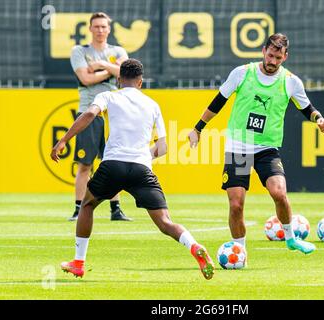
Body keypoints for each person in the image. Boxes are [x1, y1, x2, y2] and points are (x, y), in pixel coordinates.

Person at [51, 59, 215, 280]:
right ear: (140, 82)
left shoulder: (108, 95)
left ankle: (78, 262)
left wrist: (63, 140)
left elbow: (89, 114)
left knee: (87, 205)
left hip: (113, 165)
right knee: (165, 222)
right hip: (141, 168)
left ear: (119, 80)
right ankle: (194, 246)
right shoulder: (152, 105)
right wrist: (141, 155)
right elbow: (163, 148)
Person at [188, 33, 324, 255]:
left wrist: (318, 119)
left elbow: (307, 108)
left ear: (285, 57)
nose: (272, 61)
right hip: (239, 148)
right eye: (270, 55)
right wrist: (198, 128)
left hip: (266, 149)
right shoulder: (243, 73)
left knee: (279, 193)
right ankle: (239, 251)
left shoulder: (291, 81)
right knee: (236, 204)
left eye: (278, 58)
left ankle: (291, 238)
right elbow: (218, 101)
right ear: (263, 51)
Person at [69, 12, 131, 221]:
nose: (100, 30)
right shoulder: (79, 51)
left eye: (104, 27)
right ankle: (79, 208)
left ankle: (116, 209)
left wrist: (102, 65)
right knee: (86, 163)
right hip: (89, 111)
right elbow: (85, 78)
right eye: (96, 26)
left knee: (114, 162)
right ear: (90, 28)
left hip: (113, 113)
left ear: (109, 29)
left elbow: (126, 73)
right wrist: (113, 70)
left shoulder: (118, 50)